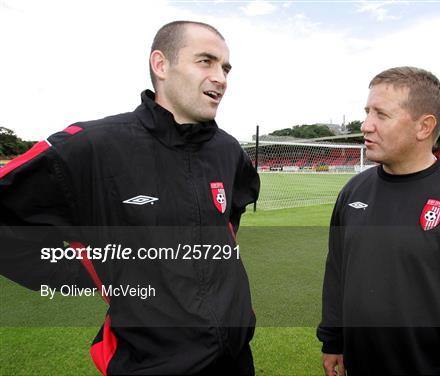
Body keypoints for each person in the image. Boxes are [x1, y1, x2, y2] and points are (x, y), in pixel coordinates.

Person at [0, 21, 259, 375]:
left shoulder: (229, 152)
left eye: (225, 67)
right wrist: (91, 273)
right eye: (206, 61)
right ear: (161, 64)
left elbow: (229, 221)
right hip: (151, 365)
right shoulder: (92, 146)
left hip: (236, 359)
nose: (221, 78)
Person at [317, 66, 440, 375]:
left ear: (424, 127)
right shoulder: (353, 191)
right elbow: (337, 272)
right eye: (367, 112)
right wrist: (334, 339)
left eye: (381, 115)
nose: (366, 125)